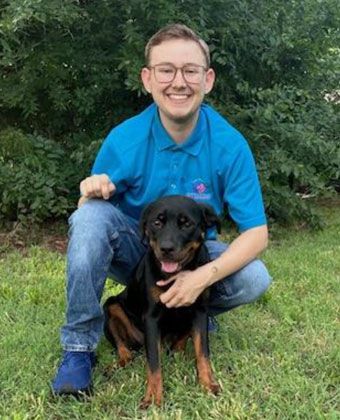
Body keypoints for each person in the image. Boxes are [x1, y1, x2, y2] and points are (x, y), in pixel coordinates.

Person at [52, 23, 271, 395]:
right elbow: (86, 219)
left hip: (195, 254)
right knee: (89, 215)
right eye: (166, 70)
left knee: (254, 277)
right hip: (138, 251)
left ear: (209, 79)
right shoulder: (125, 138)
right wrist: (90, 192)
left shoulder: (230, 145)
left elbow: (257, 233)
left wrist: (202, 277)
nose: (178, 82)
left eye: (190, 70)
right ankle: (77, 349)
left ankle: (188, 318)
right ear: (148, 79)